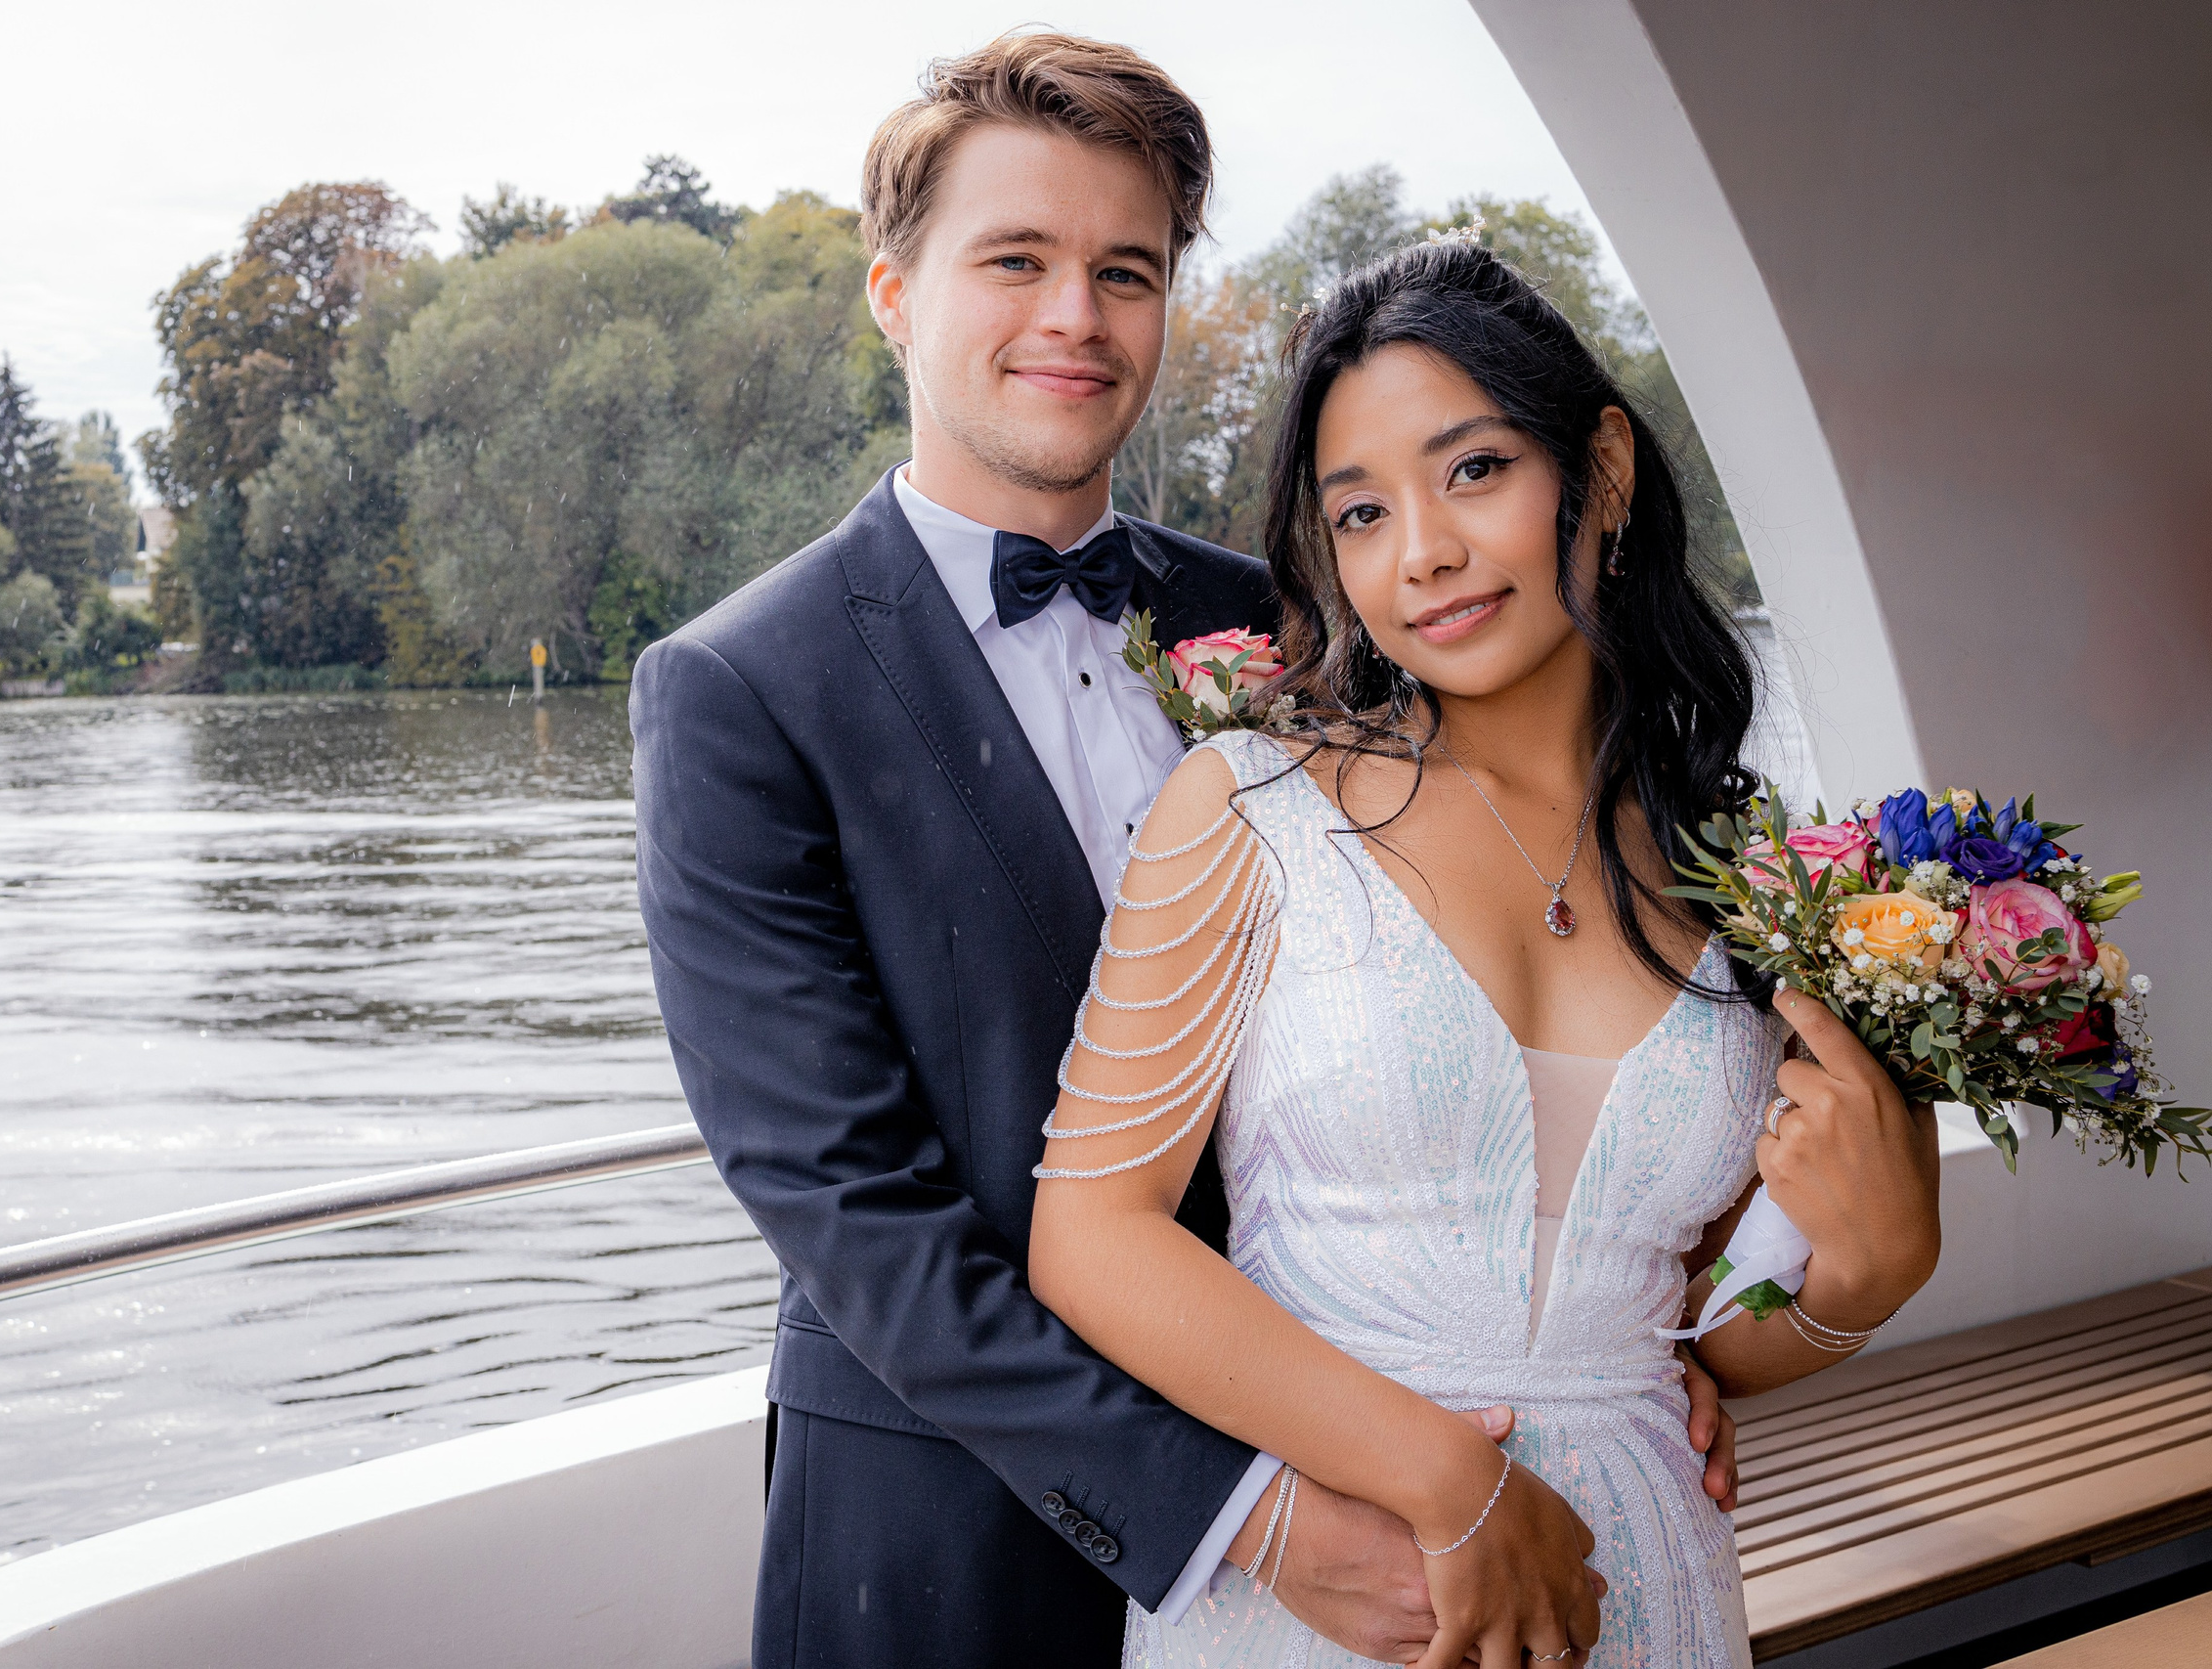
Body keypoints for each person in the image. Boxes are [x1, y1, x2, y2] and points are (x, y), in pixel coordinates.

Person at [633, 34, 1742, 1669]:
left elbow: (1500, 986)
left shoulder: (1296, 617)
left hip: (1380, 1477)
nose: (1074, 316)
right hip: (956, 1542)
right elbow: (853, 1212)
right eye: (1015, 260)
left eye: (1125, 270)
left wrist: (1615, 1332)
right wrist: (1245, 1511)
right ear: (891, 291)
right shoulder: (739, 691)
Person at [1026, 237, 1944, 1669]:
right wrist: (1448, 1485)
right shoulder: (1250, 808)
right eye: (1361, 513)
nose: (1424, 554)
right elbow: (1091, 1238)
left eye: (1473, 472)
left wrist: (1866, 1280)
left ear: (1606, 472)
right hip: (1351, 1582)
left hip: (1643, 1581)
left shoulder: (1746, 875)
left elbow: (1691, 1339)